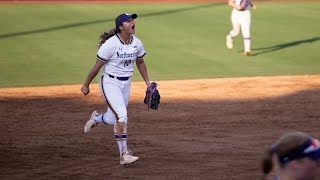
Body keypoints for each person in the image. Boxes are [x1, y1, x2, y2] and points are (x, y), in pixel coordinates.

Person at [81, 13, 152, 165]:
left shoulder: (137, 43)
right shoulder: (111, 44)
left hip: (125, 85)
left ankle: (96, 118)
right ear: (121, 27)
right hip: (109, 83)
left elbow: (140, 62)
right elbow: (97, 66)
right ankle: (124, 154)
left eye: (132, 20)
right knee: (122, 116)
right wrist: (86, 84)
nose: (132, 23)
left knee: (112, 118)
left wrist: (148, 82)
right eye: (128, 21)